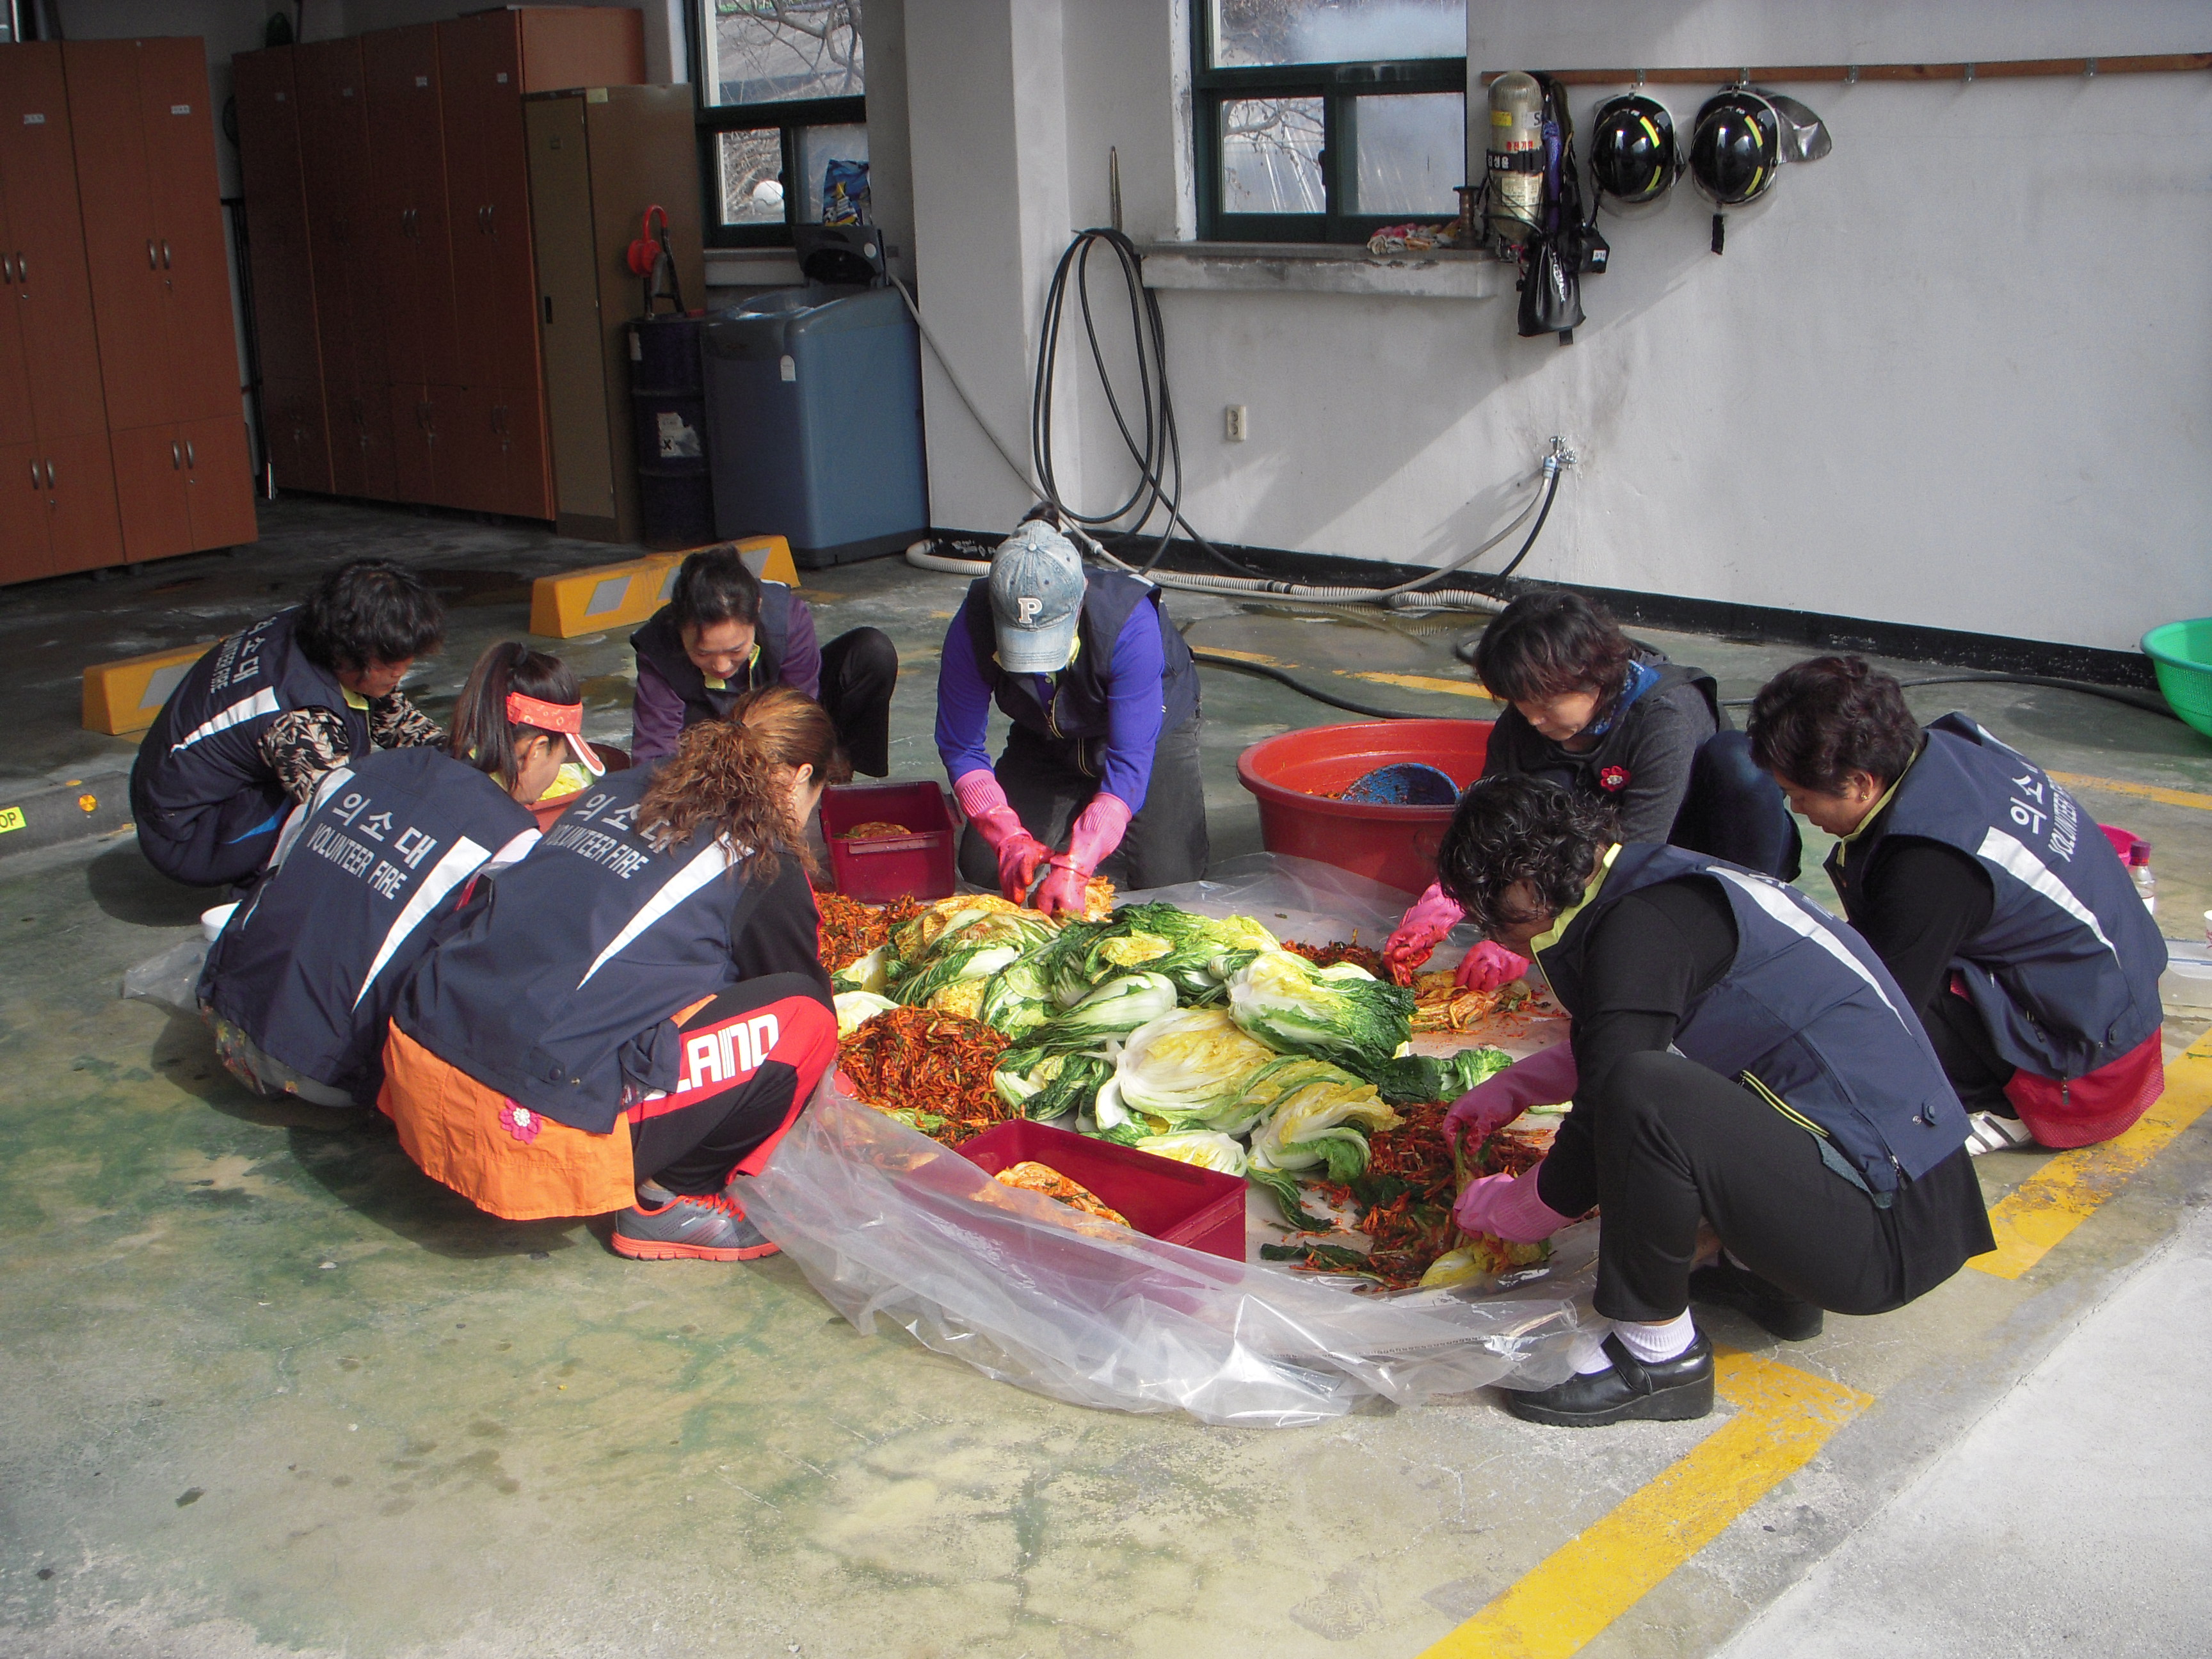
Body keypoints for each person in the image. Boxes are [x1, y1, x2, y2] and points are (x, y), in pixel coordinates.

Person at [1434, 776, 1991, 1427]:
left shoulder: (1639, 929)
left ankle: (1658, 1357)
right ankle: (1768, 1278)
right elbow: (1634, 1027)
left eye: (1491, 912)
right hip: (1921, 1203)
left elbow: (1614, 1094)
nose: (1494, 934)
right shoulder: (1662, 887)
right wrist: (1518, 1086)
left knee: (1644, 1093)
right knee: (1654, 1080)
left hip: (1882, 1237)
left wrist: (1521, 1208)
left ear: (1524, 884)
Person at [385, 685, 847, 1262]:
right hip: (525, 1114)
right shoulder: (759, 851)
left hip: (423, 1060)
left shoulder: (625, 786)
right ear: (800, 777)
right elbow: (795, 985)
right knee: (806, 1021)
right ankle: (669, 1199)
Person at [1747, 657, 2168, 1151]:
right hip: (2122, 1016)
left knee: (1854, 1001)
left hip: (2085, 1077)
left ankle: (2000, 1102)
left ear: (1861, 783)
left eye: (1797, 795)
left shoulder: (1930, 866)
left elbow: (1876, 1014)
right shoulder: (1950, 747)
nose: (1797, 810)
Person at [197, 643, 595, 1109]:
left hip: (224, 1021)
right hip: (320, 1072)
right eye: (561, 758)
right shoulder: (507, 841)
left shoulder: (359, 771)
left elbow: (279, 876)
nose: (556, 772)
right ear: (535, 749)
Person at [1384, 589, 1800, 987]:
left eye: (1546, 705)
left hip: (1681, 849)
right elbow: (1491, 829)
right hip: (1588, 858)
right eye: (1521, 705)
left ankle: (1748, 920)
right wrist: (1447, 898)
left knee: (1738, 762)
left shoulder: (1663, 718)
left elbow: (1637, 853)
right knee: (1538, 795)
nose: (1533, 720)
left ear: (1593, 678)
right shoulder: (1523, 727)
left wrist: (1527, 936)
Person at [938, 514, 1206, 915]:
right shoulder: (974, 621)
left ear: (1080, 600)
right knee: (984, 869)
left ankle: (1098, 823)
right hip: (1045, 733)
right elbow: (961, 747)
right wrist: (1006, 836)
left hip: (1149, 734)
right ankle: (1077, 810)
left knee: (1170, 885)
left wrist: (1079, 862)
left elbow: (1129, 762)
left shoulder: (1129, 623)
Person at [131, 559, 447, 888]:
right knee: (343, 804)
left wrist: (463, 756)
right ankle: (261, 888)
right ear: (347, 653)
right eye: (390, 663)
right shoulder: (298, 717)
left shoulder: (316, 626)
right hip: (189, 834)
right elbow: (344, 818)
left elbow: (395, 720)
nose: (401, 672)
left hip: (164, 787)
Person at [630, 542, 897, 778]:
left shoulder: (788, 618)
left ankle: (837, 776)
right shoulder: (658, 647)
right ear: (679, 629)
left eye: (735, 650)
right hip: (709, 732)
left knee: (871, 652)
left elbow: (798, 711)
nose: (722, 666)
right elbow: (654, 751)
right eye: (703, 653)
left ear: (756, 610)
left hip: (778, 711)